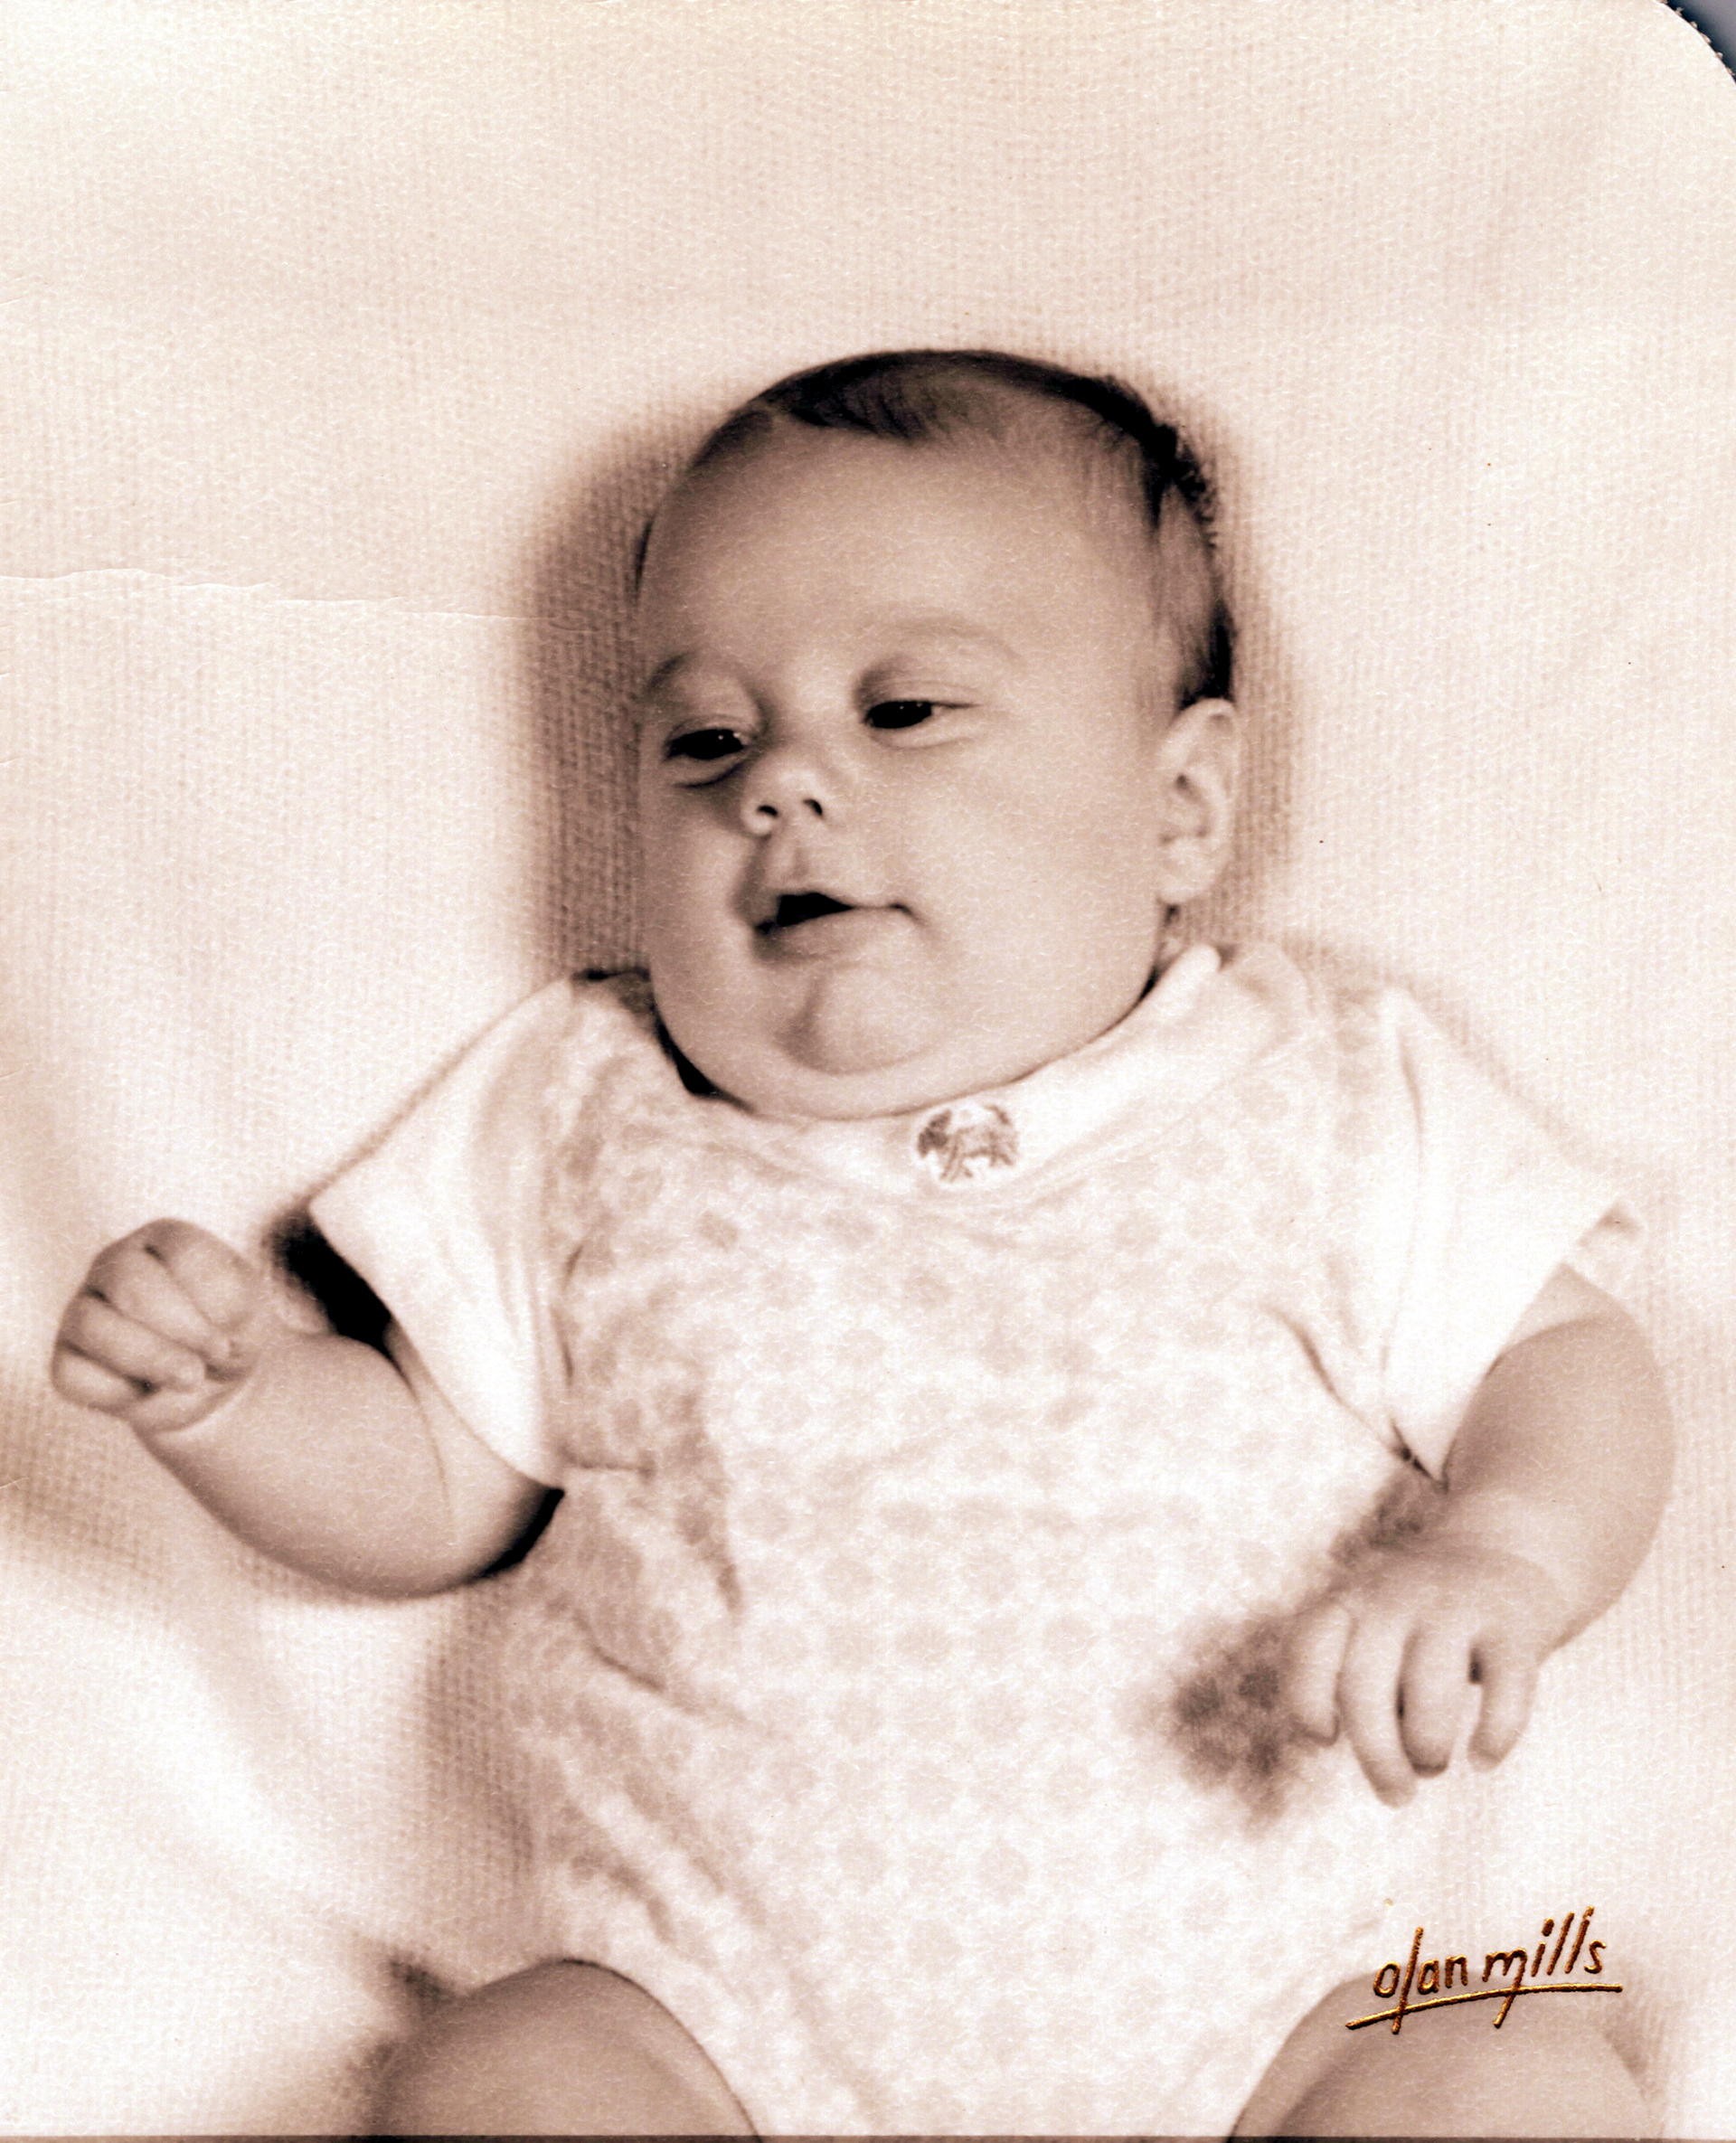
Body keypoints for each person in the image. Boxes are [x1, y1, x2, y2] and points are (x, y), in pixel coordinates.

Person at [50, 351, 1671, 2137]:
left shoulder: (1324, 1091)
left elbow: (1561, 1353)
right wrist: (237, 1402)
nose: (782, 786)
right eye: (706, 740)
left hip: (1293, 2019)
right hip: (701, 2021)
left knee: (1519, 2067)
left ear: (1184, 807)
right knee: (496, 2077)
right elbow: (438, 1481)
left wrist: (1504, 1549)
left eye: (904, 710)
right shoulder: (590, 1117)